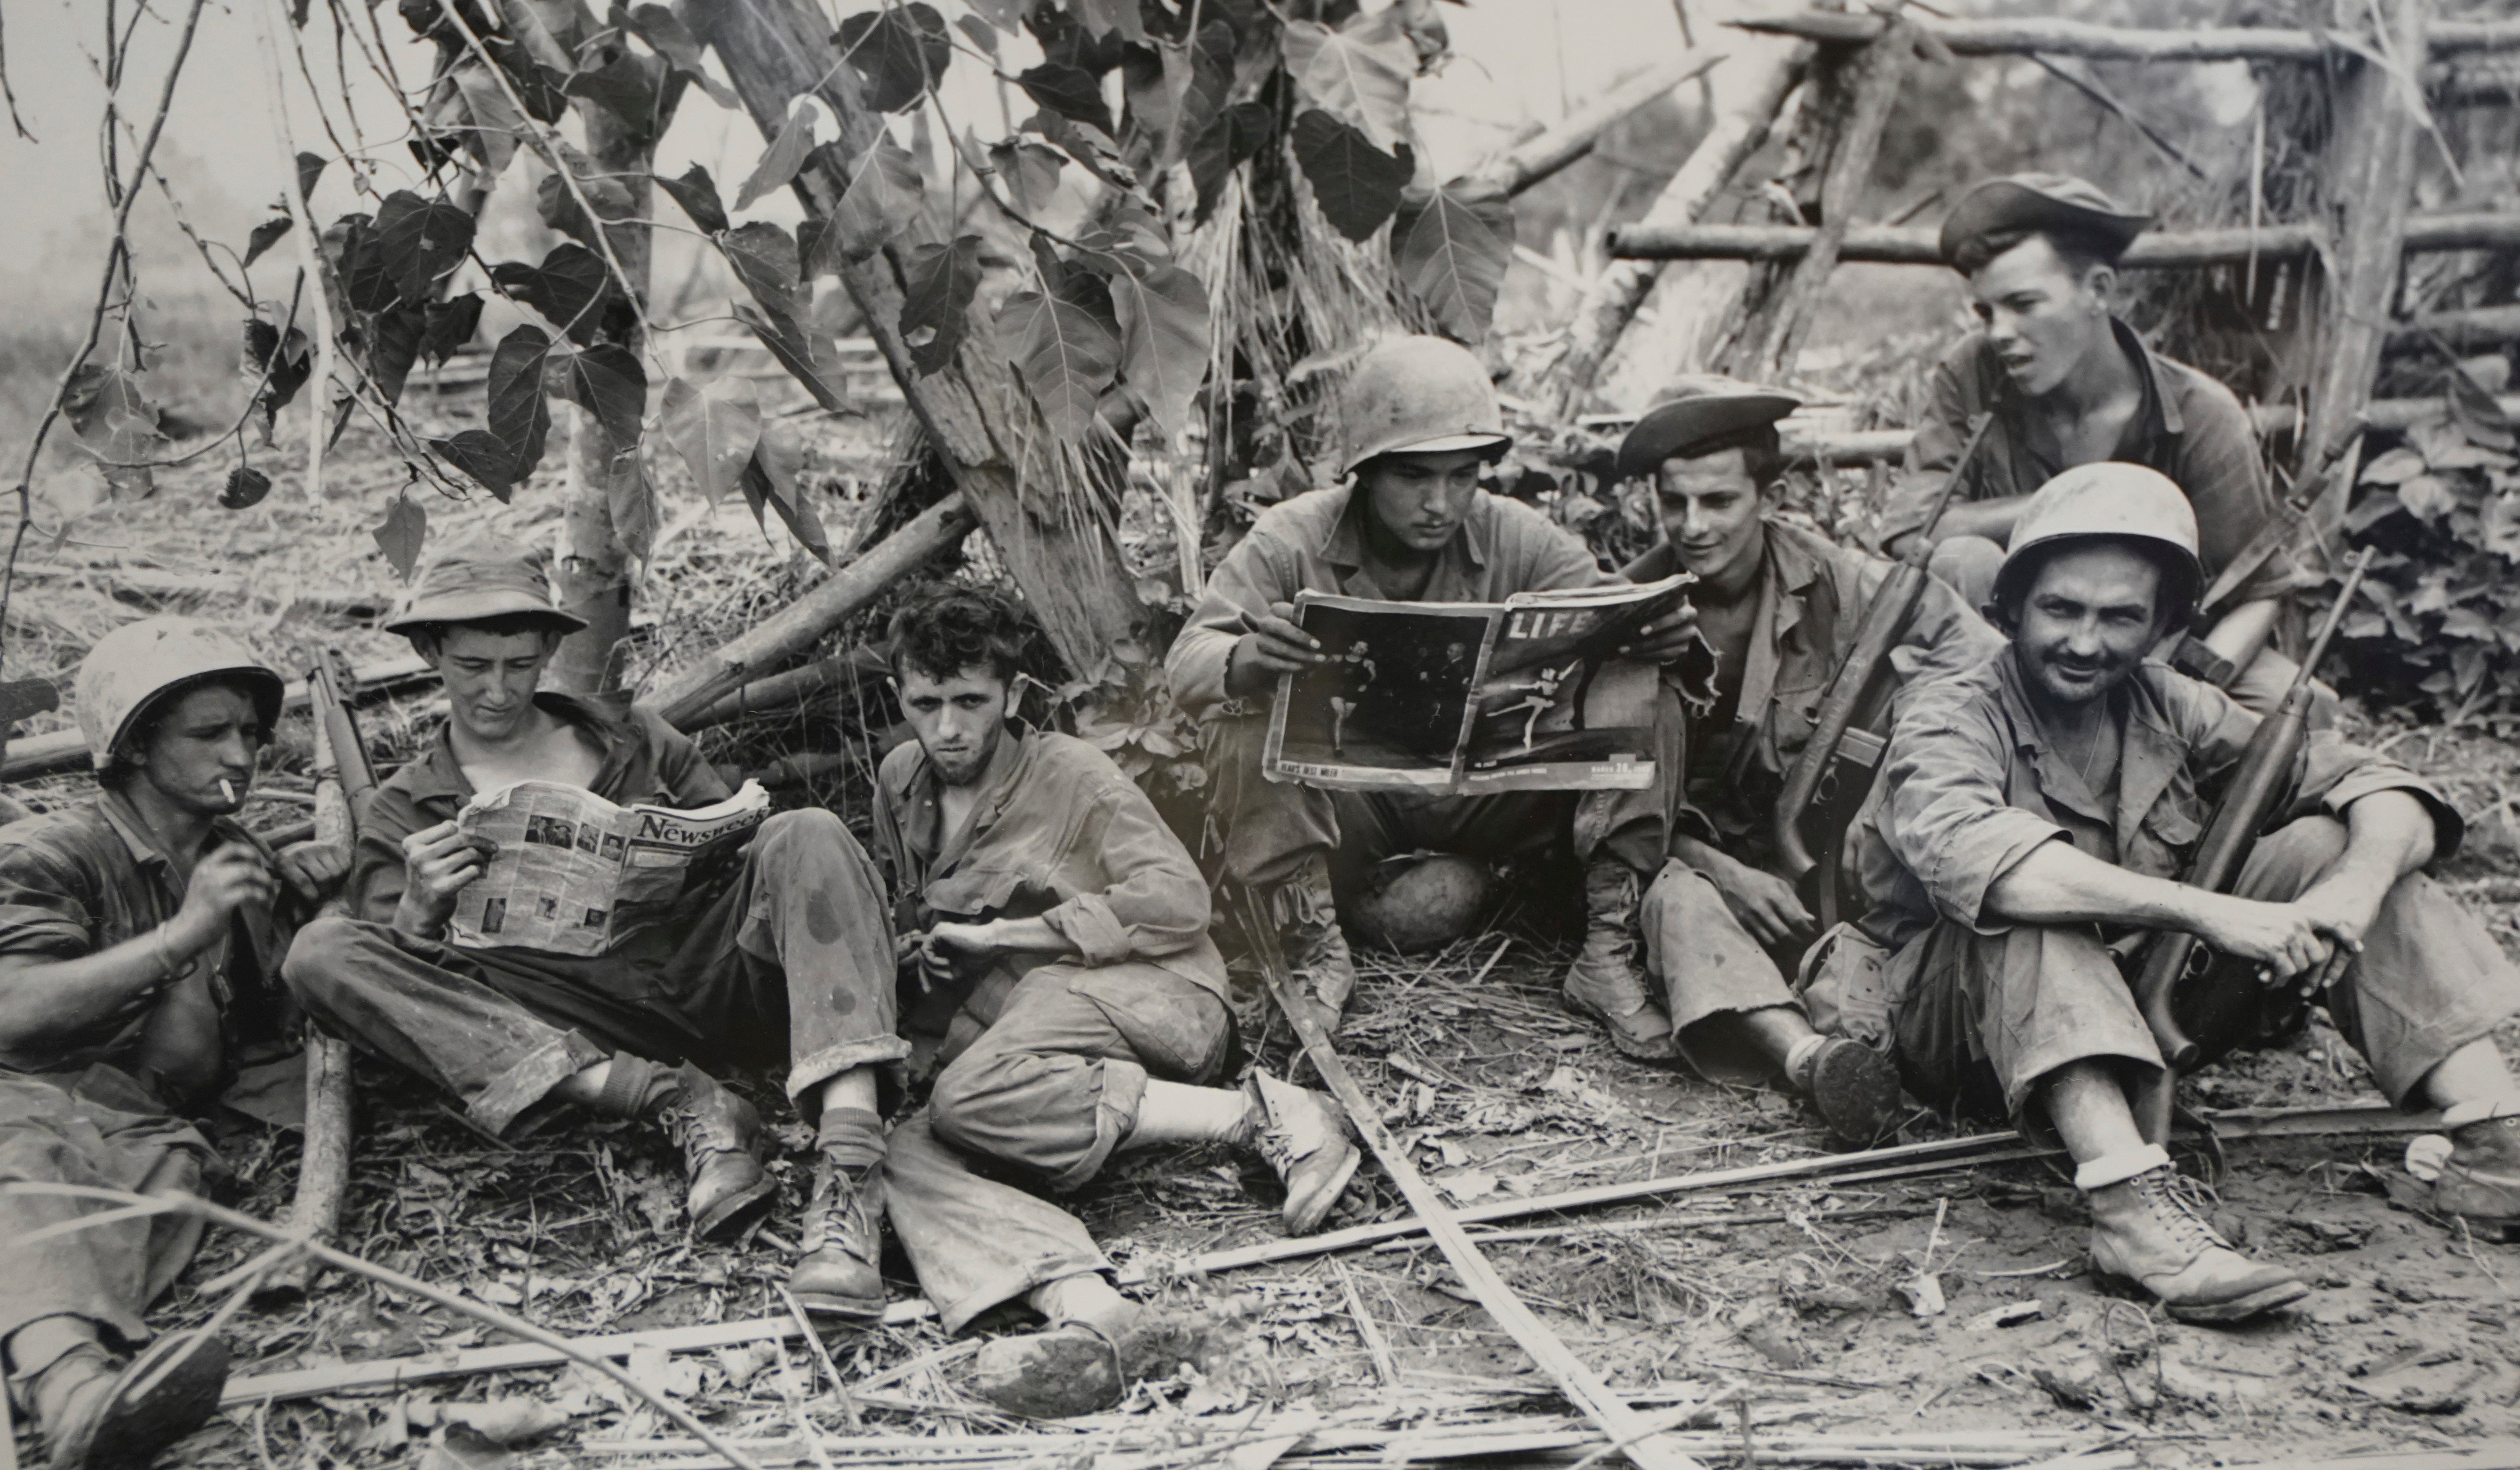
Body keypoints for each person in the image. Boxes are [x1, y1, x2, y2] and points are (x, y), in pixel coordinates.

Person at [1859, 463, 2520, 1324]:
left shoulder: (2167, 704)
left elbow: (2373, 782)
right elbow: (1971, 854)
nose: (2084, 643)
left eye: (2119, 617)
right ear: (2012, 605)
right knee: (2025, 900)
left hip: (2137, 1011)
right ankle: (2129, 1210)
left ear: (2162, 626)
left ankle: (2494, 1137)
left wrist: (2350, 891)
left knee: (2336, 842)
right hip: (1958, 1038)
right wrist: (2206, 911)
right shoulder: (1951, 710)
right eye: (2060, 609)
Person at [280, 539, 902, 1313]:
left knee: (808, 829)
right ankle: (675, 1100)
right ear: (430, 651)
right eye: (474, 665)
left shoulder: (634, 737)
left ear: (548, 645)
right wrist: (419, 909)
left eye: (519, 662)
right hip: (580, 1030)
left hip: (715, 976)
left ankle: (848, 1175)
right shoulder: (407, 809)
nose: (499, 690)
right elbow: (408, 993)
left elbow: (744, 847)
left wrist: (690, 844)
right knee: (322, 952)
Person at [872, 586, 1359, 1418]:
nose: (948, 727)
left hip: (1157, 999)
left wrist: (1008, 936)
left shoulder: (1072, 772)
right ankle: (1086, 1305)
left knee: (972, 1095)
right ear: (900, 698)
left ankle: (1261, 1112)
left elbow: (1179, 901)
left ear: (1013, 695)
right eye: (926, 703)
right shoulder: (901, 781)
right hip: (1029, 1028)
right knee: (903, 1150)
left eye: (969, 702)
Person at [1167, 335, 1700, 1050]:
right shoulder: (1289, 539)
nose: (1439, 503)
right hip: (1352, 806)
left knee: (1644, 693)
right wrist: (1249, 657)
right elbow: (1186, 664)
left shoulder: (1516, 536)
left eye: (1462, 477)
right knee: (1245, 716)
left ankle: (1607, 949)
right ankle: (1314, 950)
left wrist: (1653, 639)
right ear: (1363, 471)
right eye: (1414, 477)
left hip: (1487, 796)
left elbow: (1609, 610)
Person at [1611, 381, 2005, 1139]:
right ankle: (1809, 1059)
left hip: (1833, 868)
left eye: (1719, 501)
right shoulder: (1628, 605)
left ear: (1768, 493)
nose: (1692, 526)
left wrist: (1889, 786)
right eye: (1673, 502)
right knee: (1671, 900)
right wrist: (1718, 867)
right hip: (1694, 864)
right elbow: (1605, 790)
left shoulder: (1848, 586)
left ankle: (1881, 1023)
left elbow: (1981, 673)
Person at [1, 617, 348, 1468]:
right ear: (135, 745)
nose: (241, 755)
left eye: (250, 734)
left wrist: (315, 912)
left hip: (142, 1131)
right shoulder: (51, 855)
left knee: (157, 1197)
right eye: (209, 733)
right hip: (24, 1109)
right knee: (26, 1172)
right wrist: (179, 937)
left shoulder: (236, 856)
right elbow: (9, 1010)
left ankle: (51, 1360)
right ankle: (71, 1390)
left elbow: (261, 1036)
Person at [1886, 174, 2313, 715]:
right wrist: (2083, 498)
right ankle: (1995, 757)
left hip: (2149, 656)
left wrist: (2177, 692)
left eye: (2023, 304)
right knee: (1963, 559)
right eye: (1986, 312)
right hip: (1999, 654)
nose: (1998, 332)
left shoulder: (2201, 413)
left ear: (2099, 291)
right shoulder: (1972, 372)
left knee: (2297, 707)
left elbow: (2259, 590)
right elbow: (1910, 532)